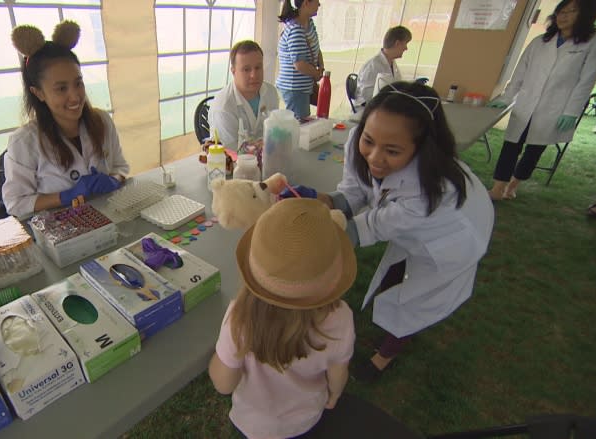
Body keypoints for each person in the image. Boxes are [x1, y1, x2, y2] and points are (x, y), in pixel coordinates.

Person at [281, 82, 494, 382]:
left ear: (421, 148)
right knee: (397, 267)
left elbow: (365, 227)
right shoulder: (361, 139)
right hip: (410, 225)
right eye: (369, 141)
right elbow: (354, 194)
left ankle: (385, 355)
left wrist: (304, 239)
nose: (375, 158)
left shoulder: (426, 192)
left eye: (392, 151)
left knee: (415, 300)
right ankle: (391, 303)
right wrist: (317, 199)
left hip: (451, 236)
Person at [209, 198, 357, 438]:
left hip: (254, 424)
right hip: (307, 419)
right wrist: (335, 395)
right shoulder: (341, 318)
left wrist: (219, 358)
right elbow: (338, 373)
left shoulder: (240, 316)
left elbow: (223, 384)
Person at [2, 20, 129, 218]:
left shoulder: (102, 121)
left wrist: (114, 179)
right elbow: (15, 203)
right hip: (62, 234)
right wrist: (64, 197)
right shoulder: (24, 142)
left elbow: (120, 166)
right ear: (39, 93)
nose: (75, 96)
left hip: (110, 220)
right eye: (61, 88)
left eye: (78, 83)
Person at [487, 0, 596, 200]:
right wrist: (506, 98)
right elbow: (519, 73)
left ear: (585, 15)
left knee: (534, 150)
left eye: (571, 12)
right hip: (526, 103)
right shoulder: (540, 41)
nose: (563, 16)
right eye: (560, 11)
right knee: (511, 145)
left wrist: (571, 112)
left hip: (555, 107)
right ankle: (497, 189)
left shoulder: (594, 43)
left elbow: (586, 81)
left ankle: (514, 184)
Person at [208, 40, 279, 151]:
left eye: (258, 67)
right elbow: (231, 152)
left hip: (267, 159)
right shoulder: (223, 106)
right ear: (233, 71)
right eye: (246, 69)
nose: (253, 75)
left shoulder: (271, 92)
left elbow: (274, 133)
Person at [276, 0, 324, 119]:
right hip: (294, 88)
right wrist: (316, 73)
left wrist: (321, 66)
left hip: (304, 86)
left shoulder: (309, 24)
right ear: (306, 3)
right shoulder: (295, 30)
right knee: (300, 126)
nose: (319, 5)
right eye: (317, 1)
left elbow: (317, 49)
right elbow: (299, 64)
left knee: (304, 121)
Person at [354, 26, 412, 108]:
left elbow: (396, 86)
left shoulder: (392, 64)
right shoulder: (372, 66)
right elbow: (367, 95)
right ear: (397, 43)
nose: (406, 48)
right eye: (405, 43)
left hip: (383, 107)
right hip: (367, 109)